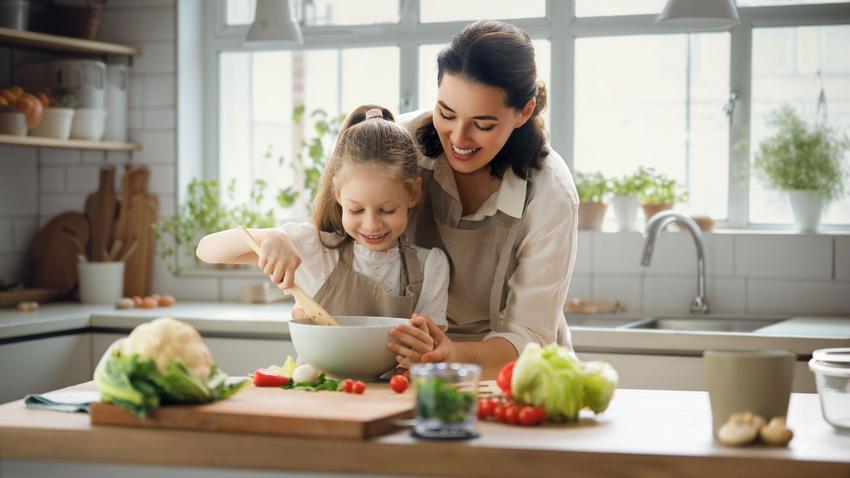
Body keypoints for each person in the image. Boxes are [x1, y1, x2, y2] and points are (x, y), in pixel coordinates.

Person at [387, 20, 579, 378]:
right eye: (446, 113)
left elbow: (528, 336)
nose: (458, 137)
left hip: (515, 374)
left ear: (524, 112)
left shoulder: (550, 192)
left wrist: (451, 353)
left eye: (483, 124)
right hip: (415, 365)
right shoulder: (401, 144)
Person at [196, 105, 450, 369]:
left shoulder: (431, 266)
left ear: (413, 194)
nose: (371, 224)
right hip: (319, 395)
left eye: (387, 210)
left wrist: (423, 354)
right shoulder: (315, 249)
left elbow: (432, 350)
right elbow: (206, 250)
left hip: (390, 398)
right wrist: (272, 236)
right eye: (356, 209)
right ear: (337, 194)